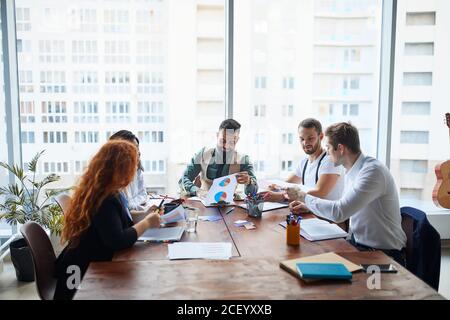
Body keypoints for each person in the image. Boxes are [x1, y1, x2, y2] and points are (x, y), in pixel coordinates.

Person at [54, 140, 161, 300]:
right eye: (132, 165)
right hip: (83, 276)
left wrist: (145, 215)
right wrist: (147, 223)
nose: (134, 170)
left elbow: (120, 223)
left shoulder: (103, 191)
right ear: (120, 169)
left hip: (84, 266)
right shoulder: (105, 199)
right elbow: (117, 240)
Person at [287, 122, 407, 265]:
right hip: (359, 245)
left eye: (329, 148)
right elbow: (342, 205)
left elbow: (340, 212)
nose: (327, 152)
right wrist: (309, 206)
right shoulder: (350, 170)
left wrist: (303, 197)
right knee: (305, 258)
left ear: (341, 148)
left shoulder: (373, 172)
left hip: (384, 255)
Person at [261, 118, 344, 204]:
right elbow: (287, 184)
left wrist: (280, 196)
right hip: (309, 212)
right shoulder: (304, 162)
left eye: (310, 138)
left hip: (327, 216)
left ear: (321, 137)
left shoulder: (331, 160)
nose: (305, 143)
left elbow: (320, 193)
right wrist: (275, 188)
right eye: (302, 139)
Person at [179, 119, 258, 197]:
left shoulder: (244, 160)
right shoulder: (202, 154)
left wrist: (249, 182)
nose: (226, 146)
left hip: (231, 205)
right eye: (223, 141)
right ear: (217, 135)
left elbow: (253, 192)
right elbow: (183, 179)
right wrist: (197, 191)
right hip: (203, 204)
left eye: (231, 142)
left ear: (237, 140)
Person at [109, 130, 147, 210]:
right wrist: (135, 206)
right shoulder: (111, 179)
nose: (139, 152)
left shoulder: (137, 168)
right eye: (133, 148)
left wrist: (132, 204)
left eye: (137, 147)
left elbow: (143, 194)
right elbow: (125, 207)